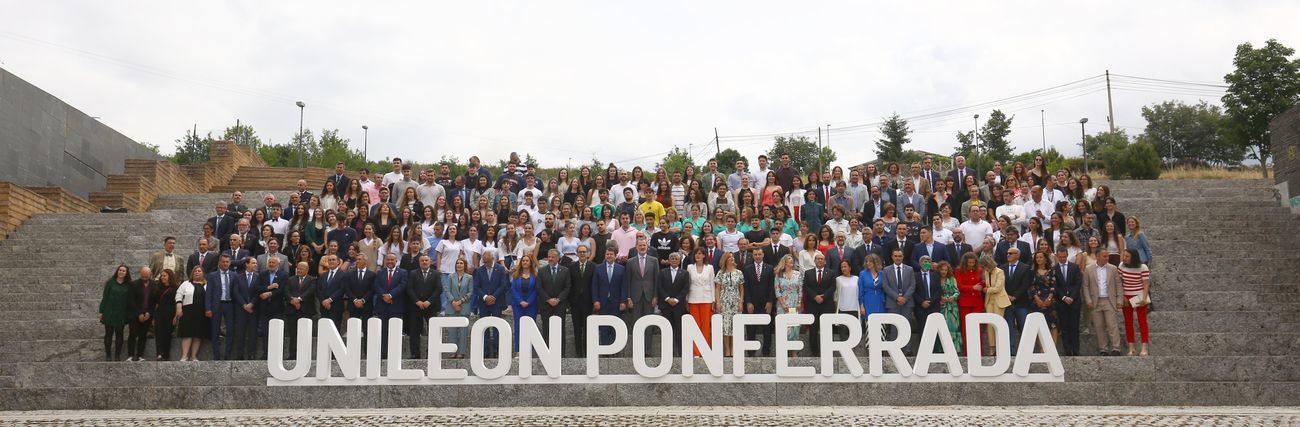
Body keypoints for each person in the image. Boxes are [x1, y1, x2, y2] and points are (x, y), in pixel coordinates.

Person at [1083, 248, 1124, 356]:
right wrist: (1088, 300)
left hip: (1109, 300)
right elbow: (1085, 286)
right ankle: (1103, 349)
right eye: (1104, 256)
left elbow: (1118, 284)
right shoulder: (1088, 269)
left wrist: (1119, 300)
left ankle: (1116, 348)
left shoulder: (1113, 268)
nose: (1107, 258)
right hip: (1095, 301)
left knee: (1112, 325)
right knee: (1099, 326)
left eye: (1107, 256)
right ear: (1097, 256)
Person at [204, 254, 243, 360]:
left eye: (227, 262)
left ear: (230, 263)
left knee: (230, 330)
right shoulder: (212, 275)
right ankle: (216, 355)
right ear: (219, 263)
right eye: (223, 261)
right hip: (216, 305)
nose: (225, 263)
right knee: (215, 330)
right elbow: (208, 293)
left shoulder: (234, 275)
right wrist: (208, 308)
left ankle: (227, 355)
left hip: (230, 305)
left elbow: (237, 292)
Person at [625, 237, 660, 352]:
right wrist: (628, 297)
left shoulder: (654, 260)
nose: (642, 247)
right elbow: (628, 281)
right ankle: (638, 350)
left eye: (644, 245)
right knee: (636, 323)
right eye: (640, 245)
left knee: (648, 324)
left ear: (647, 246)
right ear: (636, 247)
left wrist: (655, 296)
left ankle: (647, 351)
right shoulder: (630, 262)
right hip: (635, 297)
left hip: (650, 297)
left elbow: (656, 280)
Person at [741, 246, 776, 356]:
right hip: (752, 303)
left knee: (767, 330)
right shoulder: (747, 269)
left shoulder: (769, 268)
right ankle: (751, 353)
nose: (757, 256)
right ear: (752, 255)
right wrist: (748, 302)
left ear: (763, 255)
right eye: (755, 254)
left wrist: (770, 302)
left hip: (766, 304)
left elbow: (772, 287)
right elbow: (746, 287)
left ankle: (766, 352)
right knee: (751, 329)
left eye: (759, 254)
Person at [406, 254, 442, 359]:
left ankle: (431, 353)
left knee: (433, 331)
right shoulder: (413, 273)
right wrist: (417, 301)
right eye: (422, 261)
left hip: (431, 307)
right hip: (416, 306)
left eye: (426, 260)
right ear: (419, 262)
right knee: (414, 331)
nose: (424, 262)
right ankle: (415, 354)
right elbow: (409, 289)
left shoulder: (436, 274)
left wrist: (429, 301)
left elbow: (438, 289)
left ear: (430, 262)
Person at [880, 249, 915, 353]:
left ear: (903, 257)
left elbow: (912, 285)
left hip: (907, 302)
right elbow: (885, 286)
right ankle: (894, 350)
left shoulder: (909, 269)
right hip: (892, 302)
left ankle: (907, 349)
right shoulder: (886, 270)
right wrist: (897, 297)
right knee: (894, 326)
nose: (898, 258)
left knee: (906, 325)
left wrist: (905, 298)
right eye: (895, 256)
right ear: (892, 257)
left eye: (900, 256)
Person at [1118, 248, 1152, 356]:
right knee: (1128, 322)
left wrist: (1144, 298)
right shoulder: (1121, 265)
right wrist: (1123, 296)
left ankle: (1144, 348)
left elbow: (1146, 284)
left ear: (1133, 257)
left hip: (1139, 295)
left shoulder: (1143, 267)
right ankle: (1131, 348)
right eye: (1124, 256)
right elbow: (1120, 282)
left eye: (1127, 256)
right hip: (1126, 295)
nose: (1124, 258)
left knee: (1142, 321)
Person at [373, 253, 407, 358]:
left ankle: (394, 354)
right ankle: (383, 354)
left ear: (396, 261)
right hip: (382, 306)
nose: (390, 261)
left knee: (395, 331)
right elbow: (376, 285)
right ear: (385, 261)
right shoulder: (380, 272)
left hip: (396, 306)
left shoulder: (403, 272)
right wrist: (384, 295)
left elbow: (402, 285)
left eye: (392, 260)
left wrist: (391, 295)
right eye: (388, 259)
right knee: (383, 331)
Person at [656, 252, 690, 357]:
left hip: (678, 306)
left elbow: (686, 288)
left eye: (676, 259)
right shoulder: (662, 272)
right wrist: (667, 299)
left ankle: (680, 353)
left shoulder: (685, 273)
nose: (674, 260)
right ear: (669, 260)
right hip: (666, 305)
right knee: (667, 329)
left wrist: (676, 299)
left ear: (679, 261)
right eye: (672, 258)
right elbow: (659, 287)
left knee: (679, 330)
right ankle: (667, 353)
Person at [536, 249, 572, 350]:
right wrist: (548, 299)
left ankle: (561, 353)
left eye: (553, 257)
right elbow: (539, 287)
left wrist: (558, 299)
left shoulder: (565, 270)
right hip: (546, 305)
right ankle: (546, 351)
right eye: (549, 257)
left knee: (560, 328)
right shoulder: (541, 270)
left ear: (558, 258)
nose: (550, 259)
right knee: (546, 328)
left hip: (560, 305)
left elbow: (567, 287)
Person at [282, 261, 316, 359]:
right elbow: (286, 291)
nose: (299, 270)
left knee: (304, 334)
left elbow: (310, 291)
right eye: (298, 268)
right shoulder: (290, 279)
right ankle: (292, 355)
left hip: (306, 311)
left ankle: (304, 355)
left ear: (307, 269)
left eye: (301, 269)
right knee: (293, 334)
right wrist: (292, 300)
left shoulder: (312, 280)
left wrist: (299, 299)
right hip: (292, 311)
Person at [124, 266, 159, 362]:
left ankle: (140, 355)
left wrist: (149, 313)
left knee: (143, 335)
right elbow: (130, 301)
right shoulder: (133, 284)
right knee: (133, 334)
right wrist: (139, 313)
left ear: (150, 275)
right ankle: (130, 355)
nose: (144, 278)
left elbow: (154, 301)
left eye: (146, 276)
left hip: (147, 315)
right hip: (134, 314)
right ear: (140, 274)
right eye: (143, 276)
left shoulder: (154, 285)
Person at [99, 264, 132, 361]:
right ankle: (108, 355)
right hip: (109, 311)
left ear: (126, 273)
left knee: (119, 334)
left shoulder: (129, 285)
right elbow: (105, 297)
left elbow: (130, 300)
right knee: (108, 334)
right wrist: (101, 311)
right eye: (120, 270)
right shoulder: (110, 283)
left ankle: (117, 356)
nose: (121, 272)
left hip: (121, 313)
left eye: (123, 271)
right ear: (117, 271)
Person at [568, 246, 597, 357]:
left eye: (584, 252)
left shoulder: (593, 266)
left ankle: (587, 352)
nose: (582, 254)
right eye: (580, 252)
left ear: (588, 253)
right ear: (577, 253)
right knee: (576, 329)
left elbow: (595, 284)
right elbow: (569, 285)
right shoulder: (571, 267)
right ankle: (578, 353)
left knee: (587, 328)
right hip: (575, 302)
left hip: (588, 302)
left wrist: (594, 300)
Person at [176, 266, 209, 361]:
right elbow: (178, 295)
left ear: (203, 273)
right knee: (187, 333)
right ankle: (184, 356)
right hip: (188, 311)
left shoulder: (207, 285)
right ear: (192, 273)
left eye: (199, 271)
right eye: (195, 271)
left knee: (198, 335)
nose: (197, 272)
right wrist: (179, 307)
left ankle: (193, 356)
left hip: (202, 312)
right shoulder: (186, 284)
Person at [953, 252, 984, 354]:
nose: (971, 264)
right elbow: (959, 285)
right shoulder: (959, 270)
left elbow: (983, 281)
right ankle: (968, 351)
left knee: (977, 327)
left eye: (973, 263)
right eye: (969, 263)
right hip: (965, 302)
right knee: (966, 327)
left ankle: (979, 351)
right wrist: (972, 287)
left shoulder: (979, 270)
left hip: (977, 302)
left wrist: (982, 285)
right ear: (965, 262)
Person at [979, 254, 1009, 355]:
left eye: (984, 266)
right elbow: (986, 284)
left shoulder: (1000, 271)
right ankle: (992, 347)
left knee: (998, 323)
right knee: (990, 324)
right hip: (989, 301)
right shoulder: (986, 272)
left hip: (999, 300)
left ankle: (1000, 347)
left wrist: (987, 290)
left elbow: (998, 288)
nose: (984, 268)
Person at [444, 258, 474, 358]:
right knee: (452, 330)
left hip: (464, 306)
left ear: (464, 265)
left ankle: (461, 352)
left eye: (461, 263)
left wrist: (460, 302)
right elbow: (447, 290)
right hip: (451, 306)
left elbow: (470, 292)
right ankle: (453, 351)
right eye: (457, 263)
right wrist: (453, 302)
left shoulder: (469, 277)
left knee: (463, 331)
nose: (459, 265)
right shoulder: (450, 276)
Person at [773, 255, 803, 356]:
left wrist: (799, 302)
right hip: (782, 304)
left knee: (794, 327)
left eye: (792, 260)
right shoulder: (779, 275)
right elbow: (777, 290)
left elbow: (800, 289)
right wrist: (783, 304)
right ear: (784, 262)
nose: (792, 262)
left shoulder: (798, 274)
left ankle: (794, 352)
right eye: (789, 260)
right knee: (783, 327)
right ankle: (783, 352)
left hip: (794, 303)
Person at [509, 254, 540, 352]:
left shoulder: (535, 275)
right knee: (518, 327)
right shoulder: (516, 275)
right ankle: (518, 351)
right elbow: (513, 290)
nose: (525, 262)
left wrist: (529, 301)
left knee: (530, 327)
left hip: (531, 305)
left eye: (527, 261)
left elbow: (536, 290)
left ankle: (529, 350)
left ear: (530, 263)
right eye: (523, 261)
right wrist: (520, 301)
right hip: (518, 305)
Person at [1028, 251, 1059, 342]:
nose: (1038, 259)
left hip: (1050, 301)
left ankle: (1053, 348)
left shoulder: (1052, 271)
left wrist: (1049, 298)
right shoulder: (1032, 272)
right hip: (1037, 302)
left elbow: (1054, 285)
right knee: (1039, 326)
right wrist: (1037, 299)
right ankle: (1042, 348)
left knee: (1053, 325)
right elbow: (1030, 286)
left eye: (1041, 257)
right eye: (1037, 257)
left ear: (1045, 259)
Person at [934, 261, 963, 351]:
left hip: (952, 307)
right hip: (940, 306)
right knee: (941, 327)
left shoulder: (952, 279)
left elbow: (957, 292)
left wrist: (953, 297)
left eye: (945, 270)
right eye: (942, 270)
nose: (944, 272)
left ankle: (954, 349)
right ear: (939, 270)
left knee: (952, 327)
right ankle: (942, 350)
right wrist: (939, 298)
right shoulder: (935, 279)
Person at [857, 252, 888, 325]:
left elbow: (885, 289)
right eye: (866, 261)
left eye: (870, 261)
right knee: (870, 324)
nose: (868, 263)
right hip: (868, 301)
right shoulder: (863, 274)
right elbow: (861, 291)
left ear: (875, 262)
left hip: (880, 301)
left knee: (880, 323)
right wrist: (861, 305)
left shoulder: (882, 273)